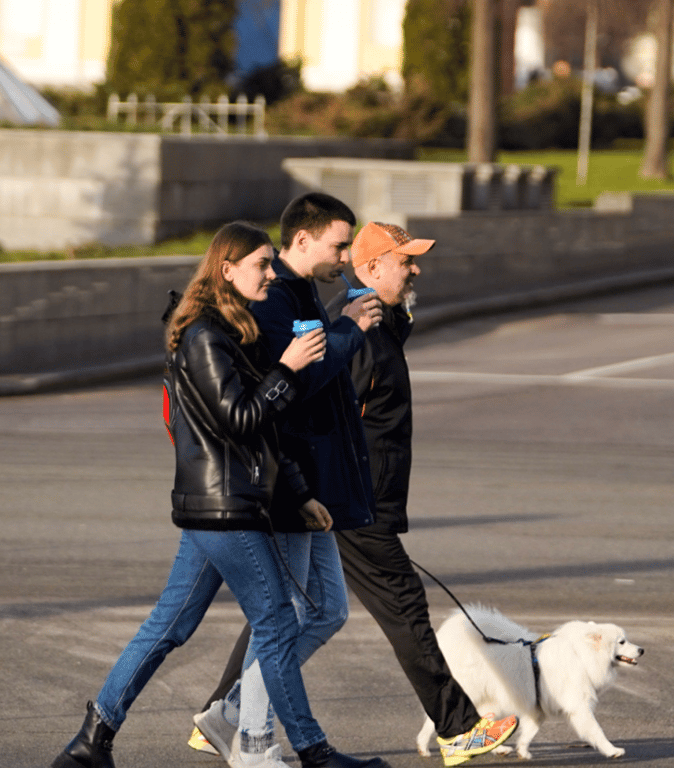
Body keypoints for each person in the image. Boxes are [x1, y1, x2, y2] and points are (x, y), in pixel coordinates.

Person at [51, 221, 389, 768]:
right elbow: (241, 419)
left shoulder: (233, 330)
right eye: (261, 264)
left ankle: (92, 741)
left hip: (220, 504)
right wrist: (288, 368)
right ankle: (313, 752)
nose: (270, 272)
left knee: (170, 626)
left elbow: (265, 432)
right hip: (225, 508)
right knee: (277, 624)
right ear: (227, 269)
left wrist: (300, 494)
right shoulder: (204, 336)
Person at [190, 220, 518, 768]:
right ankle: (457, 729)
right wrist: (323, 491)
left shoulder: (380, 323)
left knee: (289, 609)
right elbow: (321, 407)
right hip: (350, 501)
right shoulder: (355, 332)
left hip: (354, 498)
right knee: (401, 605)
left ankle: (222, 713)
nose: (415, 269)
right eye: (404, 260)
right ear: (369, 268)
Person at [190, 194, 386, 768]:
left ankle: (230, 711)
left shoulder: (301, 295)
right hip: (288, 482)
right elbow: (291, 387)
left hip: (314, 483)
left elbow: (322, 384)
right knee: (285, 617)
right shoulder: (275, 300)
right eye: (339, 245)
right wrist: (347, 332)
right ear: (302, 240)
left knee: (325, 612)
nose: (345, 256)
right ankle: (252, 737)